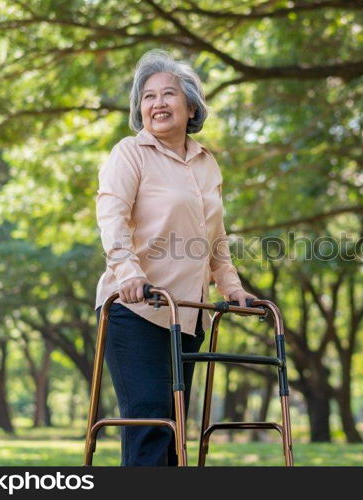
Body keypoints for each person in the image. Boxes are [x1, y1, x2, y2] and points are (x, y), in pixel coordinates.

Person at [94, 49, 256, 466]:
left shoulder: (207, 163)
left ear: (190, 106)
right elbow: (112, 216)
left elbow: (214, 238)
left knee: (174, 432)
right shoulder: (130, 153)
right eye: (148, 96)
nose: (158, 103)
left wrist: (233, 288)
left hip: (186, 313)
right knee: (150, 422)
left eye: (168, 94)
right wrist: (128, 271)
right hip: (136, 309)